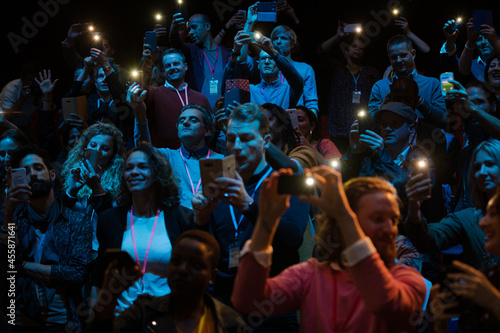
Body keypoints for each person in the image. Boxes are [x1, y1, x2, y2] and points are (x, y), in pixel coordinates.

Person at [231, 167, 426, 332]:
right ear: (346, 223)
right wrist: (266, 221)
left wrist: (343, 215)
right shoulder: (311, 276)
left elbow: (384, 302)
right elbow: (249, 301)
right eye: (377, 219)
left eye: (393, 220)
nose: (390, 229)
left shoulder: (407, 278)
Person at [191, 103, 309, 330]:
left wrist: (248, 205)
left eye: (246, 138)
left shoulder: (289, 182)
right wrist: (201, 219)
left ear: (266, 141)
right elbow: (205, 255)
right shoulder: (219, 184)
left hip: (271, 308)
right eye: (231, 139)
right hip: (224, 306)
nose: (236, 147)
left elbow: (292, 237)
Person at [93, 142, 195, 315]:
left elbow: (192, 276)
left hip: (167, 318)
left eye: (142, 167)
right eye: (129, 168)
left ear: (157, 173)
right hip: (123, 320)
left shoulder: (181, 218)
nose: (134, 172)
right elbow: (99, 279)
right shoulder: (110, 219)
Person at [0, 145, 92, 332]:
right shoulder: (14, 219)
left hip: (62, 323)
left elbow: (75, 274)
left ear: (52, 175)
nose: (32, 174)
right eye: (25, 171)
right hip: (17, 320)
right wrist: (8, 212)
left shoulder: (76, 221)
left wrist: (23, 266)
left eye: (38, 168)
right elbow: (8, 265)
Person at [86, 230, 247, 332]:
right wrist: (109, 296)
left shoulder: (229, 322)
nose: (182, 270)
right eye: (176, 261)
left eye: (196, 265)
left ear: (212, 276)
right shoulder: (144, 311)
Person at [405, 139, 500, 270]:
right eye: (477, 167)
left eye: (490, 164)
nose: (482, 172)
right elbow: (427, 240)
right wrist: (414, 207)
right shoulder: (468, 219)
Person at [128, 82, 222, 209]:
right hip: (178, 225)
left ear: (207, 130)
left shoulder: (222, 160)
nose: (186, 123)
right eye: (181, 121)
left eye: (193, 120)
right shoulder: (168, 157)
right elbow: (143, 151)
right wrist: (139, 112)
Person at [430, 186, 500, 333]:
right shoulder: (491, 276)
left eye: (492, 214)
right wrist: (440, 326)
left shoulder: (486, 288)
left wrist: (493, 301)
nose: (482, 223)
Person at [61, 123, 125, 252]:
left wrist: (97, 188)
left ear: (113, 154)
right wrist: (71, 192)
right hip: (74, 247)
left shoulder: (121, 181)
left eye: (105, 148)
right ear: (85, 148)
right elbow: (62, 216)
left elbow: (113, 221)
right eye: (93, 145)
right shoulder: (73, 172)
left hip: (102, 248)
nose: (97, 152)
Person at [319, 22, 380, 154]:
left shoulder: (371, 72)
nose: (358, 49)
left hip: (363, 128)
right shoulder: (337, 69)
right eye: (354, 46)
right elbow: (320, 53)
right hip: (339, 128)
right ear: (347, 50)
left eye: (361, 48)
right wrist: (338, 36)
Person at [369, 34, 447, 128]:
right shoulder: (380, 87)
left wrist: (421, 103)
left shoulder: (432, 84)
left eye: (403, 55)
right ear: (389, 57)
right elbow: (370, 122)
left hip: (424, 141)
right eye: (394, 57)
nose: (398, 60)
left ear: (413, 54)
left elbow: (443, 120)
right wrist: (383, 106)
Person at [141, 48, 211, 149]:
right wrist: (147, 65)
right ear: (164, 71)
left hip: (196, 157)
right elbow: (140, 93)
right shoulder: (154, 94)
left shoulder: (200, 98)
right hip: (164, 159)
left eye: (176, 64)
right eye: (167, 66)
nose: (172, 68)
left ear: (185, 66)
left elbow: (209, 130)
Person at [223, 31, 304, 110]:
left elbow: (297, 81)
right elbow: (227, 87)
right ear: (258, 64)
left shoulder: (288, 90)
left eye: (271, 58)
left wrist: (272, 52)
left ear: (279, 64)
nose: (267, 62)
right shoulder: (249, 89)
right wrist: (235, 54)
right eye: (263, 58)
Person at [170, 13, 230, 110]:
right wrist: (173, 31)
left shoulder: (225, 53)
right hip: (199, 115)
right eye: (189, 29)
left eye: (194, 27)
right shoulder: (192, 51)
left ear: (207, 26)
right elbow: (177, 44)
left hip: (223, 113)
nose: (191, 33)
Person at [271, 25, 319, 117]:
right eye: (275, 38)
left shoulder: (305, 69)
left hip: (295, 118)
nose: (278, 42)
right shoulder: (265, 66)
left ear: (292, 43)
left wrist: (311, 124)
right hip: (271, 118)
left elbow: (311, 101)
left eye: (283, 38)